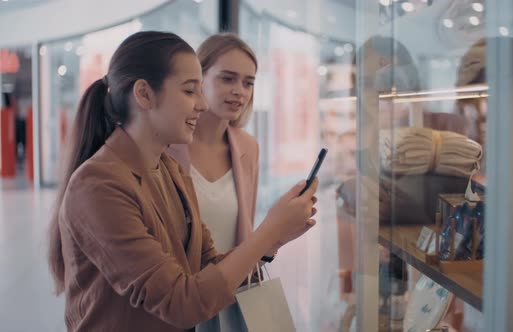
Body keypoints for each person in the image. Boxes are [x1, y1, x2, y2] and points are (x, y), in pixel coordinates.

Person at [47, 31, 318, 332]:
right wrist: (269, 232)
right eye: (190, 91)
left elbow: (206, 268)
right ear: (144, 94)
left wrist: (276, 238)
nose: (202, 105)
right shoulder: (98, 185)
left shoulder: (169, 170)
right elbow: (181, 304)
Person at [167, 32, 260, 332]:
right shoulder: (165, 146)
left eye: (248, 82)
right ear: (198, 79)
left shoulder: (248, 148)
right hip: (179, 295)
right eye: (227, 79)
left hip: (233, 295)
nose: (239, 92)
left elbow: (246, 229)